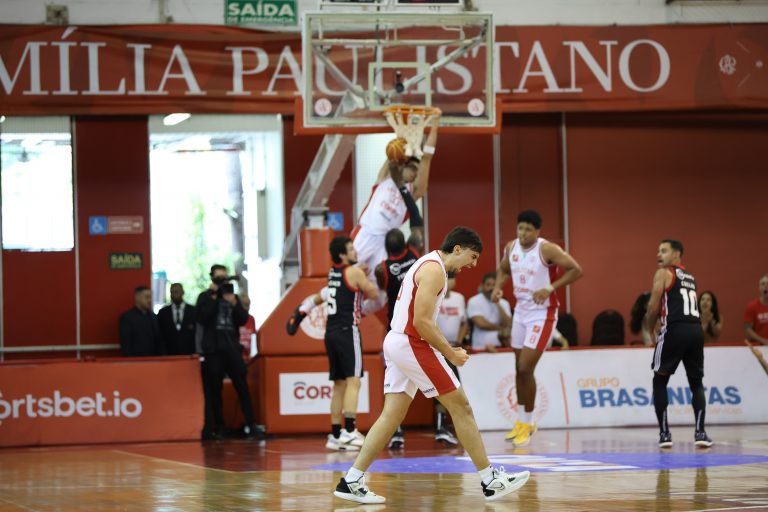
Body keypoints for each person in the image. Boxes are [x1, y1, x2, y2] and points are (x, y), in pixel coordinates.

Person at [332, 227, 530, 505]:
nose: (473, 265)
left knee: (391, 416)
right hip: (411, 342)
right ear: (458, 249)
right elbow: (422, 322)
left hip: (398, 341)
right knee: (461, 407)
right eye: (473, 257)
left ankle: (351, 480)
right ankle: (490, 480)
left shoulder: (428, 263)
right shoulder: (435, 270)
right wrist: (450, 353)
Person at [286, 116, 439, 334]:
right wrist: (403, 136)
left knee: (380, 299)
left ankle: (355, 314)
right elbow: (393, 155)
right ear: (403, 165)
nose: (414, 173)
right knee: (342, 282)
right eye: (411, 168)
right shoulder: (385, 179)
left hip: (382, 245)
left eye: (416, 171)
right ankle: (304, 308)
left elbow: (427, 163)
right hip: (365, 235)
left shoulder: (411, 196)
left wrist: (433, 128)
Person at [492, 210, 582, 446]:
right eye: (520, 228)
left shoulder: (547, 249)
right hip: (520, 312)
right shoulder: (511, 247)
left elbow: (576, 270)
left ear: (538, 231)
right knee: (518, 369)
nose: (523, 233)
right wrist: (498, 287)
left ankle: (530, 422)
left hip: (542, 314)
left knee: (525, 367)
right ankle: (521, 422)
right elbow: (503, 269)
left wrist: (550, 288)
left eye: (528, 230)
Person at [645, 239, 713, 448]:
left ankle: (665, 434)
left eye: (663, 251)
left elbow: (653, 306)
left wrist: (650, 330)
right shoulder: (690, 277)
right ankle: (700, 433)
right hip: (695, 331)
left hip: (675, 330)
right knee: (696, 383)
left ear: (676, 255)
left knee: (659, 380)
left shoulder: (663, 273)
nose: (659, 254)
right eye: (658, 250)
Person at [324, 236, 380, 451]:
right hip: (348, 331)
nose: (355, 251)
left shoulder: (333, 273)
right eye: (350, 249)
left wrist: (358, 274)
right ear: (342, 254)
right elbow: (373, 293)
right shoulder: (354, 272)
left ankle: (335, 434)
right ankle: (349, 430)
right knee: (354, 381)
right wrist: (366, 278)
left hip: (331, 332)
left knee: (339, 384)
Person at [197, 265, 259, 440]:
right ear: (212, 278)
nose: (222, 281)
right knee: (215, 390)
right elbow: (202, 318)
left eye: (224, 278)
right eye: (218, 278)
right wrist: (214, 297)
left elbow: (243, 319)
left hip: (232, 349)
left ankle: (251, 425)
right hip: (213, 351)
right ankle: (219, 427)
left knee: (242, 386)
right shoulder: (205, 297)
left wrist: (233, 303)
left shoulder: (233, 297)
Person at [467, 272, 512, 351]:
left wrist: (497, 303)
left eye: (494, 285)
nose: (491, 288)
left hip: (501, 346)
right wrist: (502, 329)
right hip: (481, 346)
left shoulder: (504, 303)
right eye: (488, 284)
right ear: (482, 286)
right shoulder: (474, 301)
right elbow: (481, 324)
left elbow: (508, 324)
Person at [119, 286, 164, 357]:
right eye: (147, 297)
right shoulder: (127, 318)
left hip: (154, 360)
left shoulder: (154, 317)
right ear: (137, 298)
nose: (149, 300)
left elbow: (159, 340)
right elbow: (126, 344)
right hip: (136, 360)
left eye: (150, 297)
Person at [158, 283, 197, 355]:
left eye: (177, 291)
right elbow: (160, 335)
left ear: (183, 292)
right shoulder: (163, 313)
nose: (174, 294)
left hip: (189, 354)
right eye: (172, 292)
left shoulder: (193, 311)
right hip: (169, 354)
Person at [744, 274, 768, 345]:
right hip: (758, 346)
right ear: (759, 288)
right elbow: (748, 329)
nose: (766, 286)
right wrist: (763, 341)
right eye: (763, 284)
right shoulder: (751, 306)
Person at [239, 294, 257, 359]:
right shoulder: (235, 318)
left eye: (248, 305)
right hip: (238, 356)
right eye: (245, 305)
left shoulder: (251, 319)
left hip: (249, 356)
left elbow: (254, 337)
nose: (248, 308)